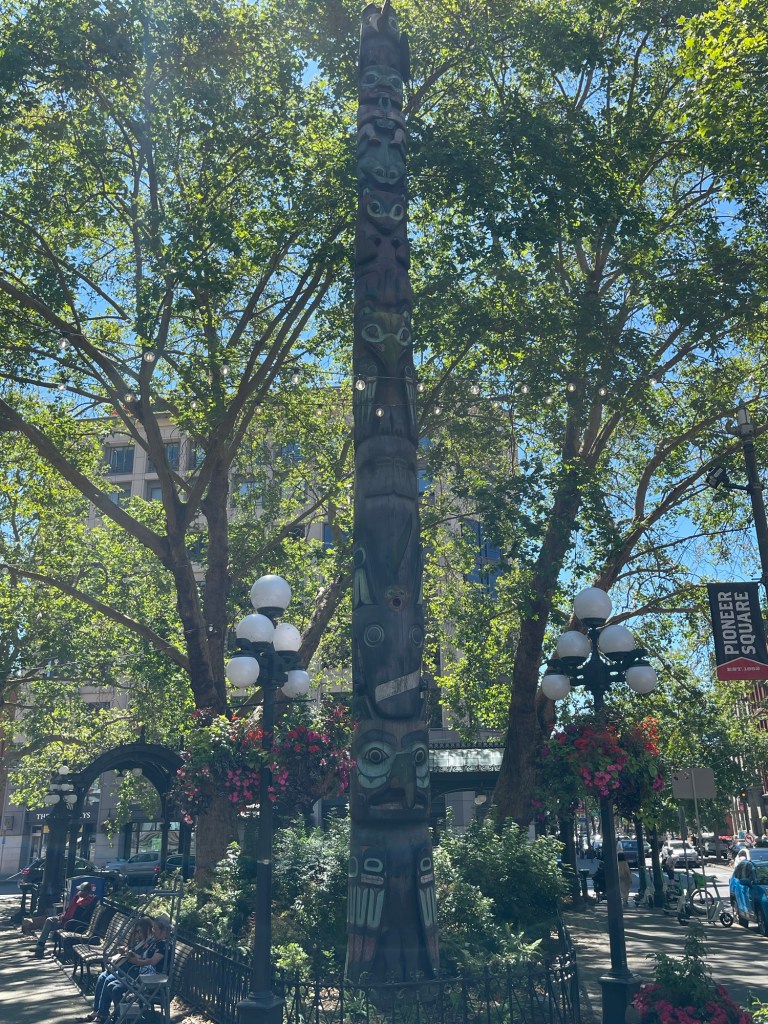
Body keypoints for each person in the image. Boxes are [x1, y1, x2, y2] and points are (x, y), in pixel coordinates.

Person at [79, 914, 171, 1024]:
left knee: (113, 986)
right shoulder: (157, 942)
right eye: (153, 928)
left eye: (155, 929)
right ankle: (116, 1016)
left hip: (150, 982)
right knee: (108, 982)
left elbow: (152, 962)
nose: (153, 931)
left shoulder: (164, 945)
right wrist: (134, 956)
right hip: (140, 975)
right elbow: (146, 958)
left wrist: (137, 961)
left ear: (164, 930)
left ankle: (119, 1018)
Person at [29, 881, 97, 957]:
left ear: (85, 892)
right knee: (49, 920)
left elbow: (74, 915)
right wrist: (63, 915)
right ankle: (40, 947)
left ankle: (40, 947)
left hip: (70, 924)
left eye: (81, 890)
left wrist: (63, 918)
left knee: (49, 921)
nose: (78, 892)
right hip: (67, 920)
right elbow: (70, 911)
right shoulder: (81, 900)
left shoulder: (84, 903)